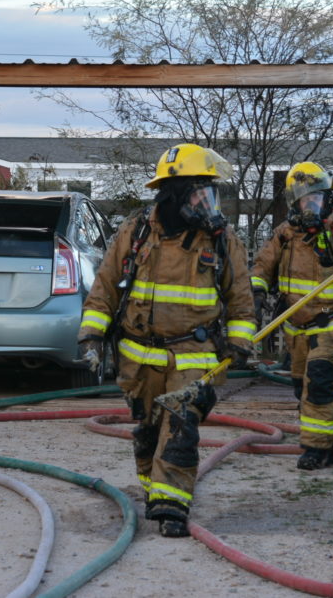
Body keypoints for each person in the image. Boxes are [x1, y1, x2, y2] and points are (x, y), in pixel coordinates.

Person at [77, 143, 256, 537]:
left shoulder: (221, 241)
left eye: (210, 193)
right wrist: (91, 336)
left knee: (180, 428)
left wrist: (241, 341)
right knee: (147, 431)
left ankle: (172, 507)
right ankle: (154, 491)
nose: (207, 203)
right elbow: (105, 287)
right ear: (173, 194)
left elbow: (241, 299)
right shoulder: (136, 232)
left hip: (194, 354)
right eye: (199, 193)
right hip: (138, 357)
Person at [250, 161, 333, 470]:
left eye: (316, 199)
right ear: (295, 204)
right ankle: (325, 441)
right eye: (305, 201)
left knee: (319, 381)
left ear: (328, 199)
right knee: (303, 388)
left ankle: (317, 450)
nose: (311, 206)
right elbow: (262, 267)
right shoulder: (285, 235)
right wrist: (255, 293)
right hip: (297, 329)